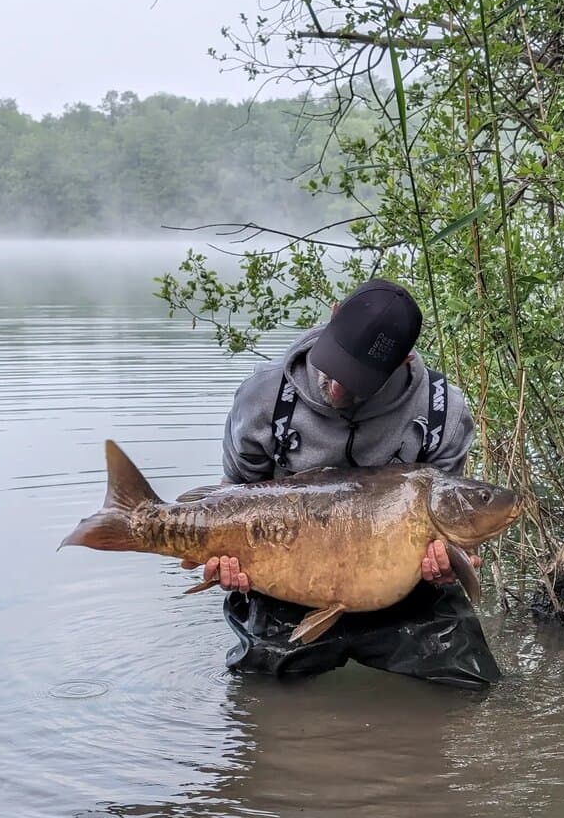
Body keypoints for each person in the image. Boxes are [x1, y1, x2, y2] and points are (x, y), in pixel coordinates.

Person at [186, 278, 501, 688]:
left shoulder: (443, 412)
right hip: (288, 581)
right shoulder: (264, 398)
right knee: (260, 700)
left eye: (356, 381)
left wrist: (445, 565)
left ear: (404, 361)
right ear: (334, 316)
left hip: (399, 588)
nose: (336, 387)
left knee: (471, 688)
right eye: (335, 365)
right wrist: (226, 562)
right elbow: (233, 497)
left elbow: (446, 522)